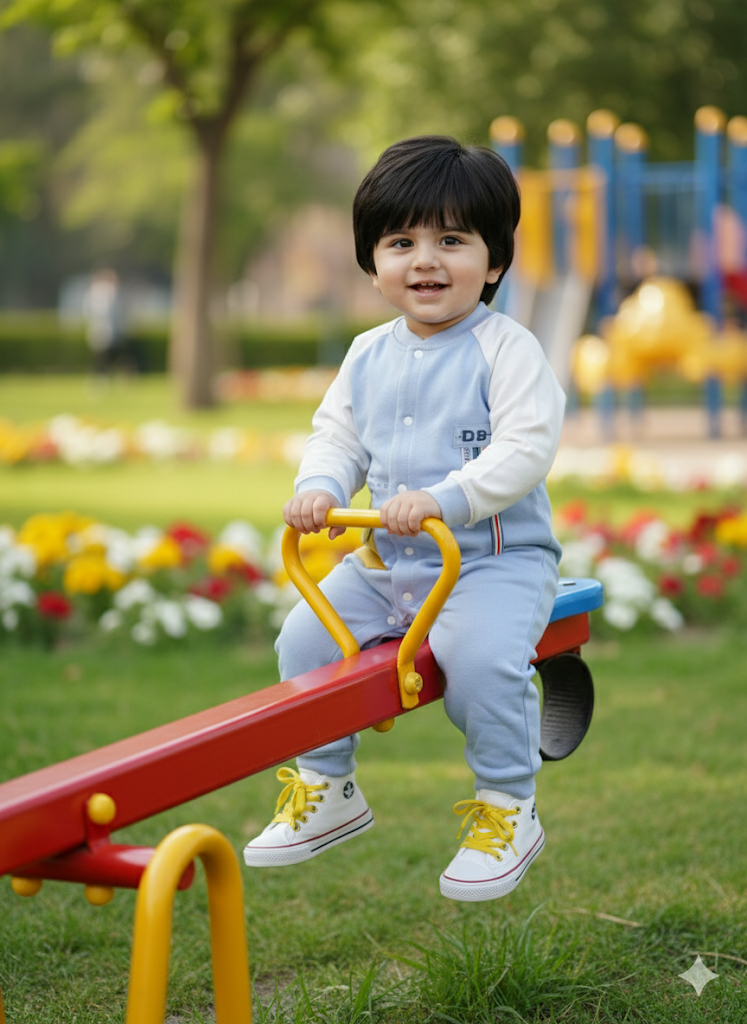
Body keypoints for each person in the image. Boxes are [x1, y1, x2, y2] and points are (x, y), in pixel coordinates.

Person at [244, 136, 565, 902]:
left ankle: (505, 806)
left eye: (451, 240)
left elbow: (525, 449)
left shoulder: (506, 349)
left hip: (491, 562)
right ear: (373, 260)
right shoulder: (366, 354)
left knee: (481, 663)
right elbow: (338, 436)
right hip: (389, 566)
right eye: (401, 242)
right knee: (303, 638)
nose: (425, 259)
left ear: (492, 262)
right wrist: (319, 486)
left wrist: (447, 497)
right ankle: (328, 785)